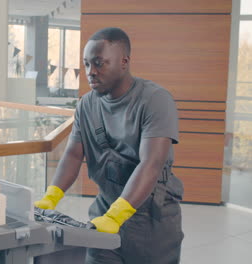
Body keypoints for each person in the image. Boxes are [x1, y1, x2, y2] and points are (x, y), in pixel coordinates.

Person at [34, 27, 184, 264]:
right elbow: (73, 154)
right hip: (104, 210)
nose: (90, 72)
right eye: (85, 65)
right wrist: (51, 196)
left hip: (151, 221)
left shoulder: (155, 100)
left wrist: (118, 215)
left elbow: (151, 163)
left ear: (124, 62)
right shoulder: (86, 105)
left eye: (99, 63)